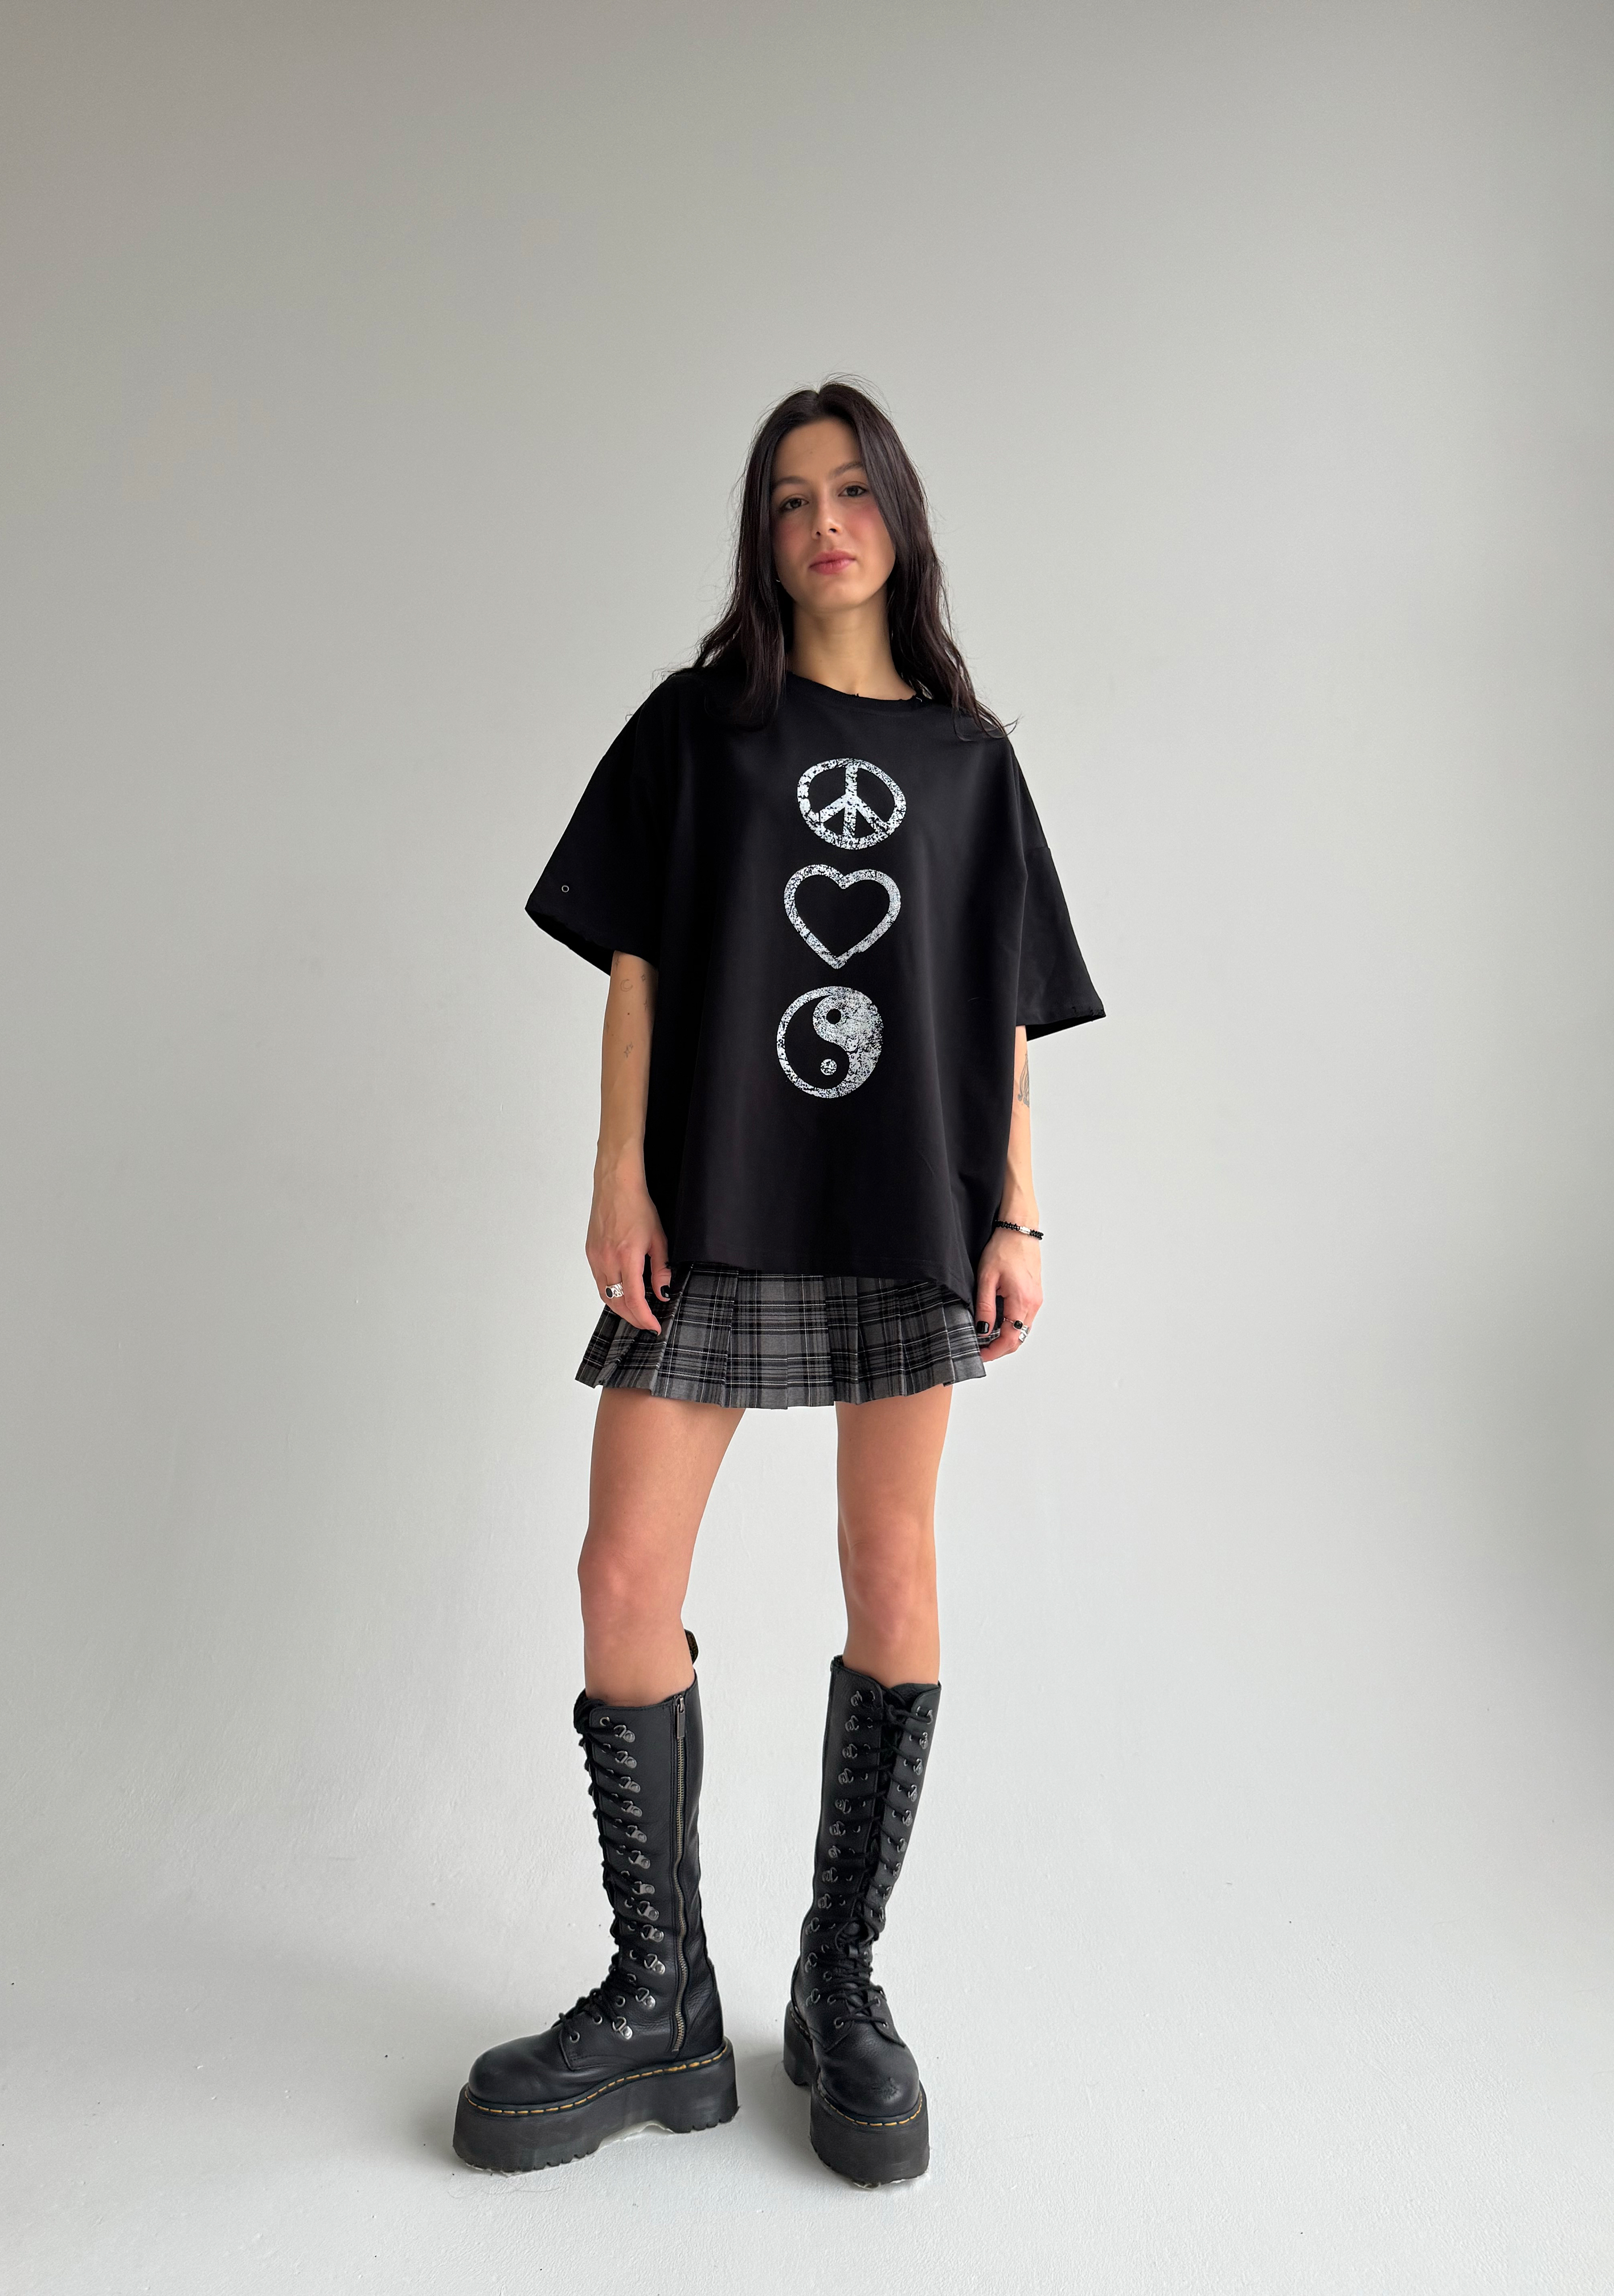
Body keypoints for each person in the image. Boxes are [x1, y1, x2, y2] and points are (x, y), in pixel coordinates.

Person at [452, 379, 1104, 2184]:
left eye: (853, 490)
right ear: (764, 534)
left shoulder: (972, 762)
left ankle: (841, 1980)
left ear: (901, 515)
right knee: (621, 1571)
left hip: (910, 1204)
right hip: (720, 1195)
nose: (826, 522)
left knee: (892, 1563)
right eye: (793, 498)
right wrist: (619, 1169)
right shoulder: (700, 726)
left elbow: (1006, 1017)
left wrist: (1020, 1217)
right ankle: (662, 1992)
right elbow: (640, 965)